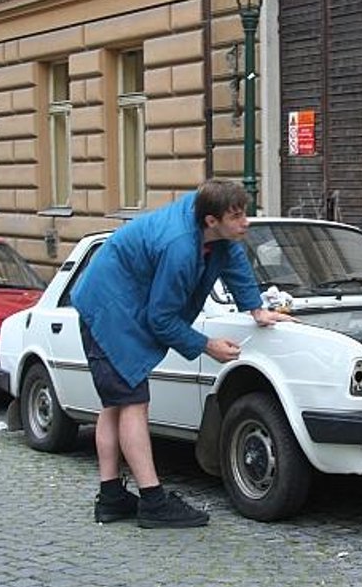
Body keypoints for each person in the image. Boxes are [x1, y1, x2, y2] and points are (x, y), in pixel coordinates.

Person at [70, 178, 295, 529]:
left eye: (245, 214)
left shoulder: (212, 220)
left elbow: (233, 256)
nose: (245, 222)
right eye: (236, 217)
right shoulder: (179, 247)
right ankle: (153, 501)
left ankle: (112, 498)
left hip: (124, 302)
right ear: (211, 221)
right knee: (131, 401)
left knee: (116, 402)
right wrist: (207, 345)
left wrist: (255, 308)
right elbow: (161, 319)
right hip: (109, 307)